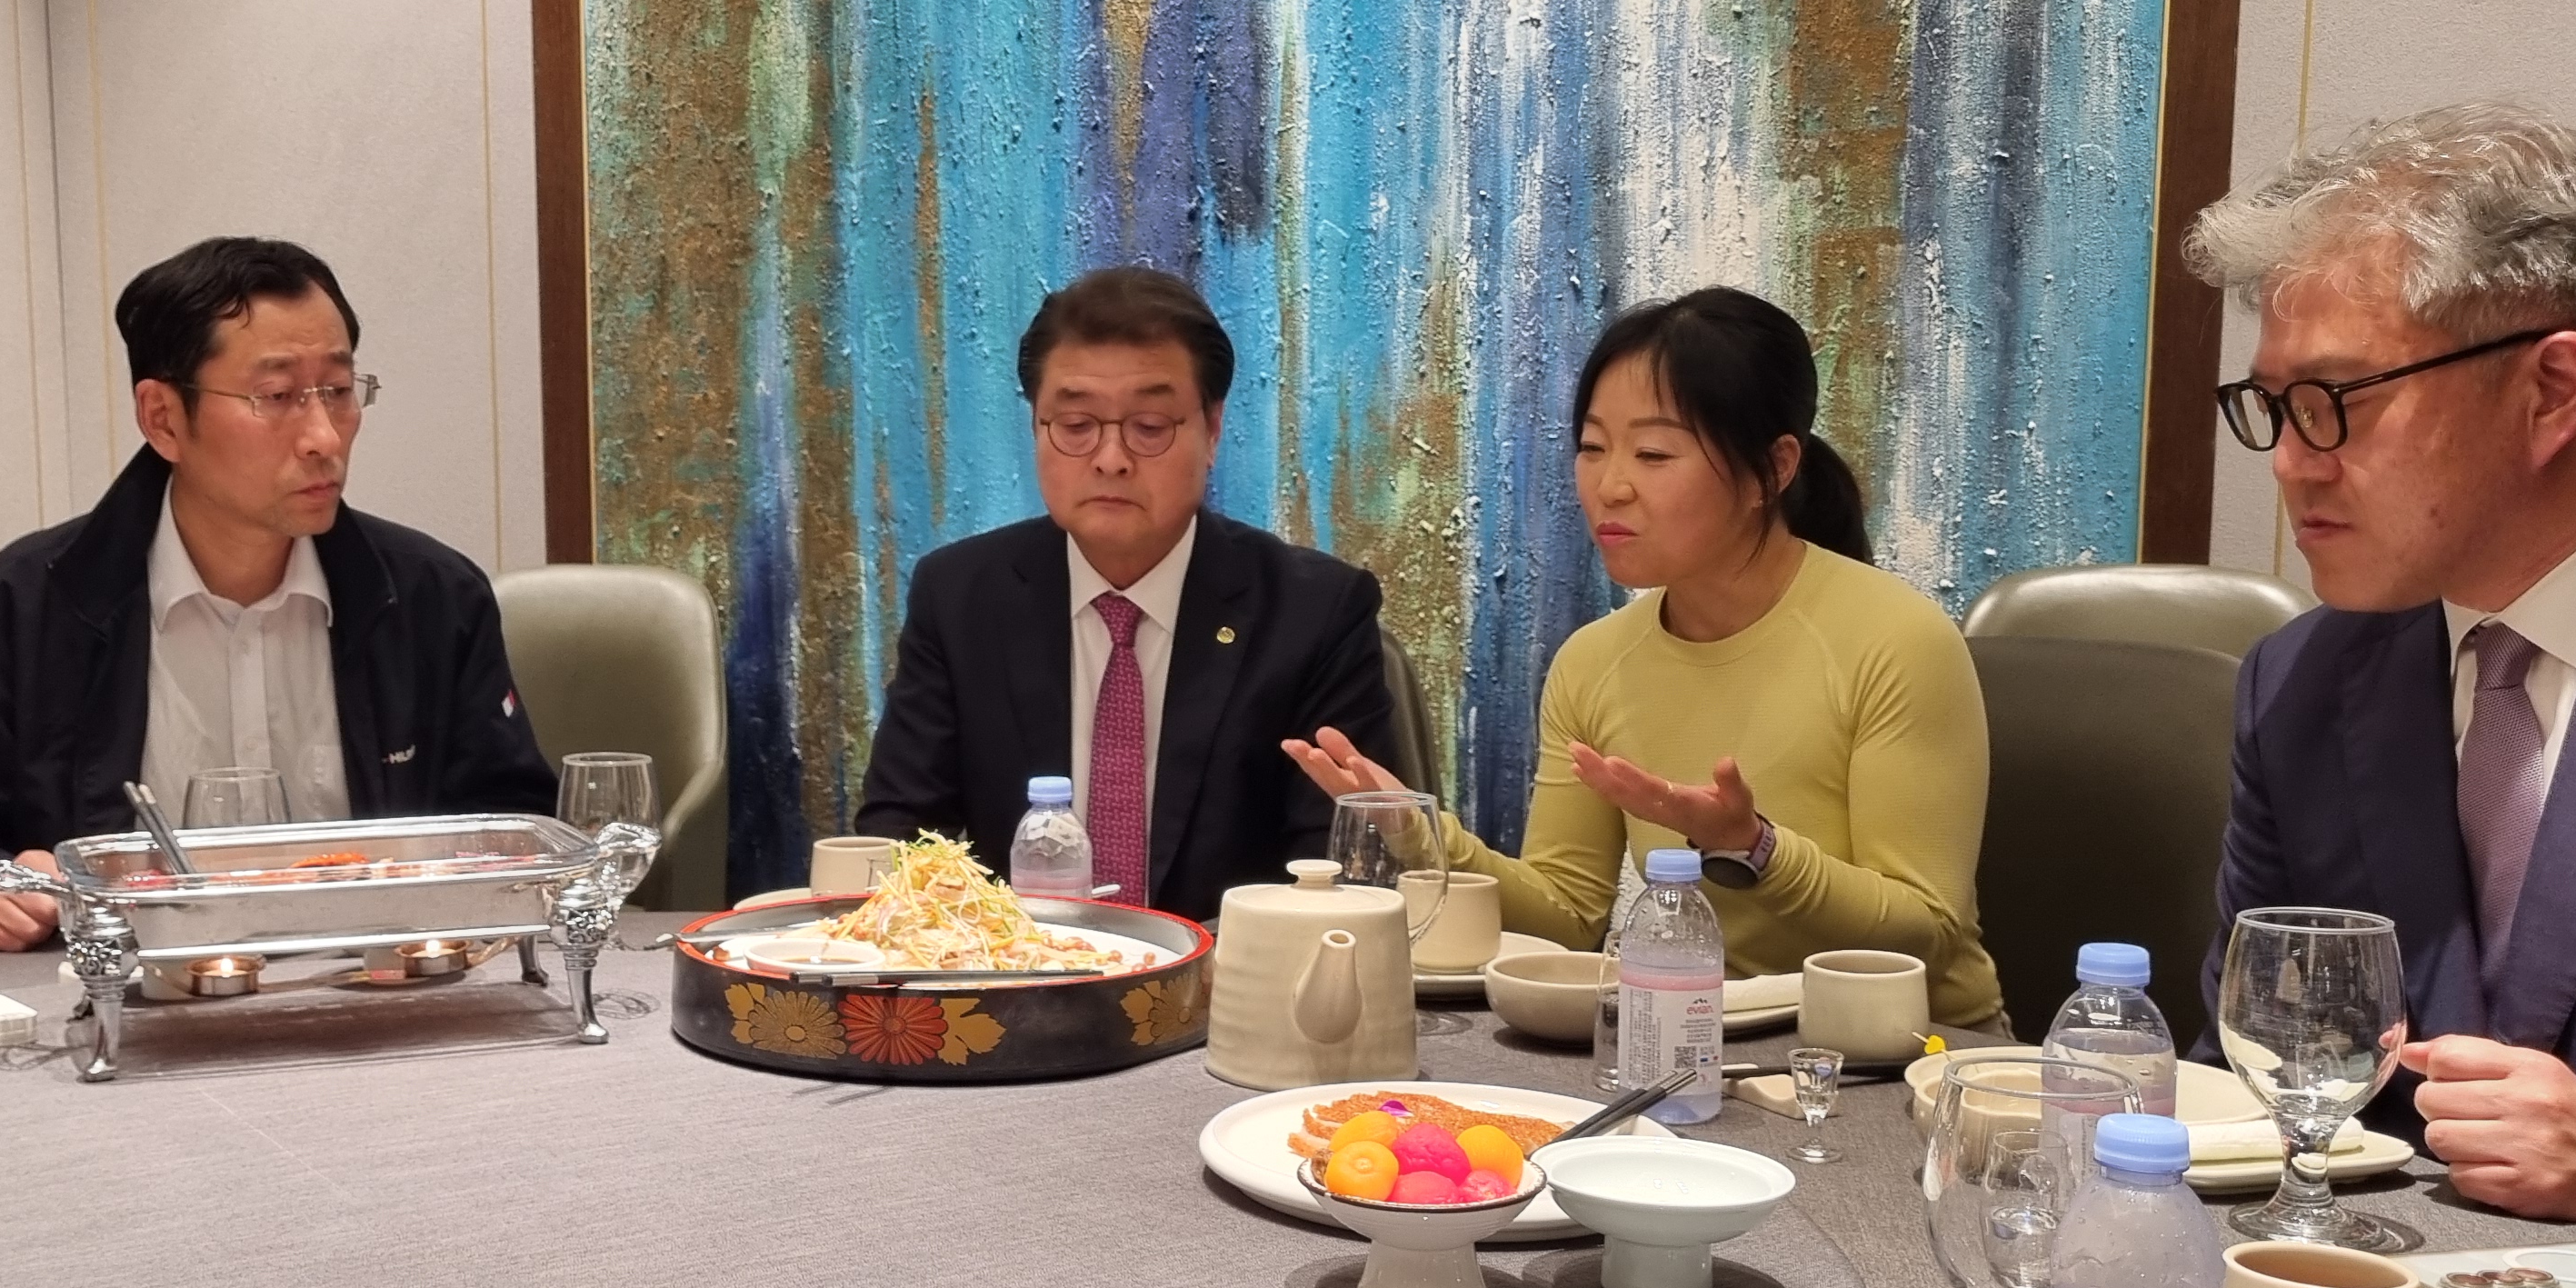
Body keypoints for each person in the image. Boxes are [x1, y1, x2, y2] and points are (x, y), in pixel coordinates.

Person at [2191, 102, 2576, 1230]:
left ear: (2551, 391)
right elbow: (2247, 1074)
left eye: (2333, 403)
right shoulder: (2300, 685)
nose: (2290, 463)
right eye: (2272, 407)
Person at [1286, 287, 2002, 1024]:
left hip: (1913, 1050)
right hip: (1699, 1042)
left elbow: (1927, 931)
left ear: (1773, 468)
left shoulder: (1898, 639)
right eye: (1592, 448)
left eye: (1654, 454)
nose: (1611, 487)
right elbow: (1568, 915)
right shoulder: (1593, 662)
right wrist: (1420, 835)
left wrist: (1756, 849)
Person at [0, 236, 554, 947]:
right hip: (124, 993)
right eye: (277, 397)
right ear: (163, 418)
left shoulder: (432, 598)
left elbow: (516, 824)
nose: (324, 437)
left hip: (382, 983)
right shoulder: (21, 608)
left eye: (338, 390)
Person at [851, 265, 1396, 922]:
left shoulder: (1315, 613)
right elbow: (904, 840)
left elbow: (1338, 871)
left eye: (1150, 425)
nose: (1110, 458)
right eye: (1076, 424)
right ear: (1036, 427)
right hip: (1017, 972)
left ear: (1212, 430)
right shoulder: (960, 598)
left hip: (1229, 976)